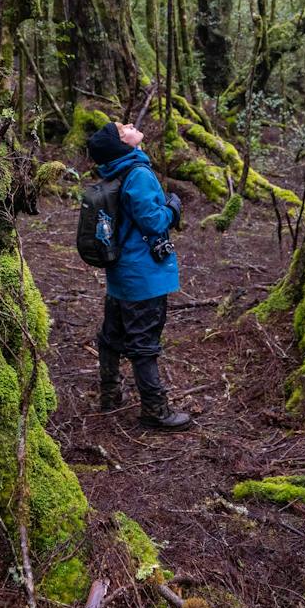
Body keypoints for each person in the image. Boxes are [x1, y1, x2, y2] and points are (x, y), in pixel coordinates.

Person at [86, 120, 192, 431]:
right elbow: (153, 222)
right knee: (144, 342)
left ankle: (109, 395)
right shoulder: (139, 175)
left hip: (121, 274)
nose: (131, 125)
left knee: (111, 336)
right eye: (123, 129)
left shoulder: (115, 172)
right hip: (144, 276)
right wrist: (173, 207)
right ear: (123, 145)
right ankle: (155, 411)